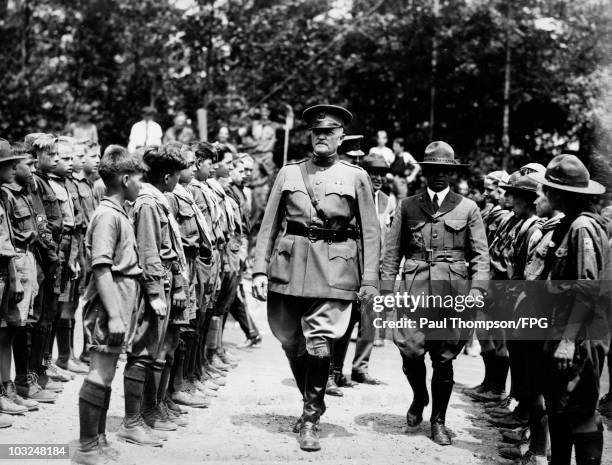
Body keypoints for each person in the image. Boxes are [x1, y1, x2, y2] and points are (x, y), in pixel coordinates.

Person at [252, 104, 380, 451]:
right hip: (288, 266)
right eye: (316, 132)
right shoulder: (289, 173)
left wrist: (369, 279)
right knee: (290, 340)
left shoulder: (356, 177)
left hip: (336, 267)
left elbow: (370, 232)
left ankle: (310, 417)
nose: (322, 137)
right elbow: (268, 225)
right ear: (310, 135)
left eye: (329, 131)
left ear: (341, 136)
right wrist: (259, 269)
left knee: (320, 341)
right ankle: (313, 400)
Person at [380, 141, 489, 446]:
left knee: (443, 360)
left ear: (452, 173)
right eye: (433, 170)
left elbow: (481, 255)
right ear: (425, 172)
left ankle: (438, 421)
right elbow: (392, 253)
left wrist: (478, 288)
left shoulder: (468, 208)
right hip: (414, 289)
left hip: (452, 292)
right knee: (410, 351)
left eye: (445, 170)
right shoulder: (407, 206)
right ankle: (419, 395)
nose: (439, 175)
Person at [72, 146, 164, 465]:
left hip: (123, 299)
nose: (142, 185)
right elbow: (101, 268)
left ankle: (97, 440)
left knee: (108, 371)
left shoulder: (120, 211)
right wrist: (113, 315)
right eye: (139, 179)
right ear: (125, 179)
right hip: (108, 305)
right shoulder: (108, 216)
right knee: (100, 371)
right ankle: (85, 448)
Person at [528, 155, 609, 465]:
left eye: (549, 189)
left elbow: (587, 289)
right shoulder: (567, 224)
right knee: (559, 407)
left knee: (582, 413)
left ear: (561, 194)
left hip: (580, 335)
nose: (545, 194)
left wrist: (566, 341)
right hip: (562, 329)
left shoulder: (583, 228)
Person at [131, 144, 188, 433]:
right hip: (156, 285)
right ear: (168, 178)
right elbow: (149, 251)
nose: (180, 179)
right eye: (178, 174)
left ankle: (154, 407)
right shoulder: (148, 203)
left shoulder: (158, 200)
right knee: (147, 349)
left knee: (163, 347)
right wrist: (154, 293)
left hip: (167, 281)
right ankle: (144, 413)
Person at [0, 139, 28, 428]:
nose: (11, 168)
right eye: (7, 165)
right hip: (1, 269)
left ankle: (5, 389)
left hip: (3, 270)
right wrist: (13, 276)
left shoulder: (2, 196)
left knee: (5, 332)